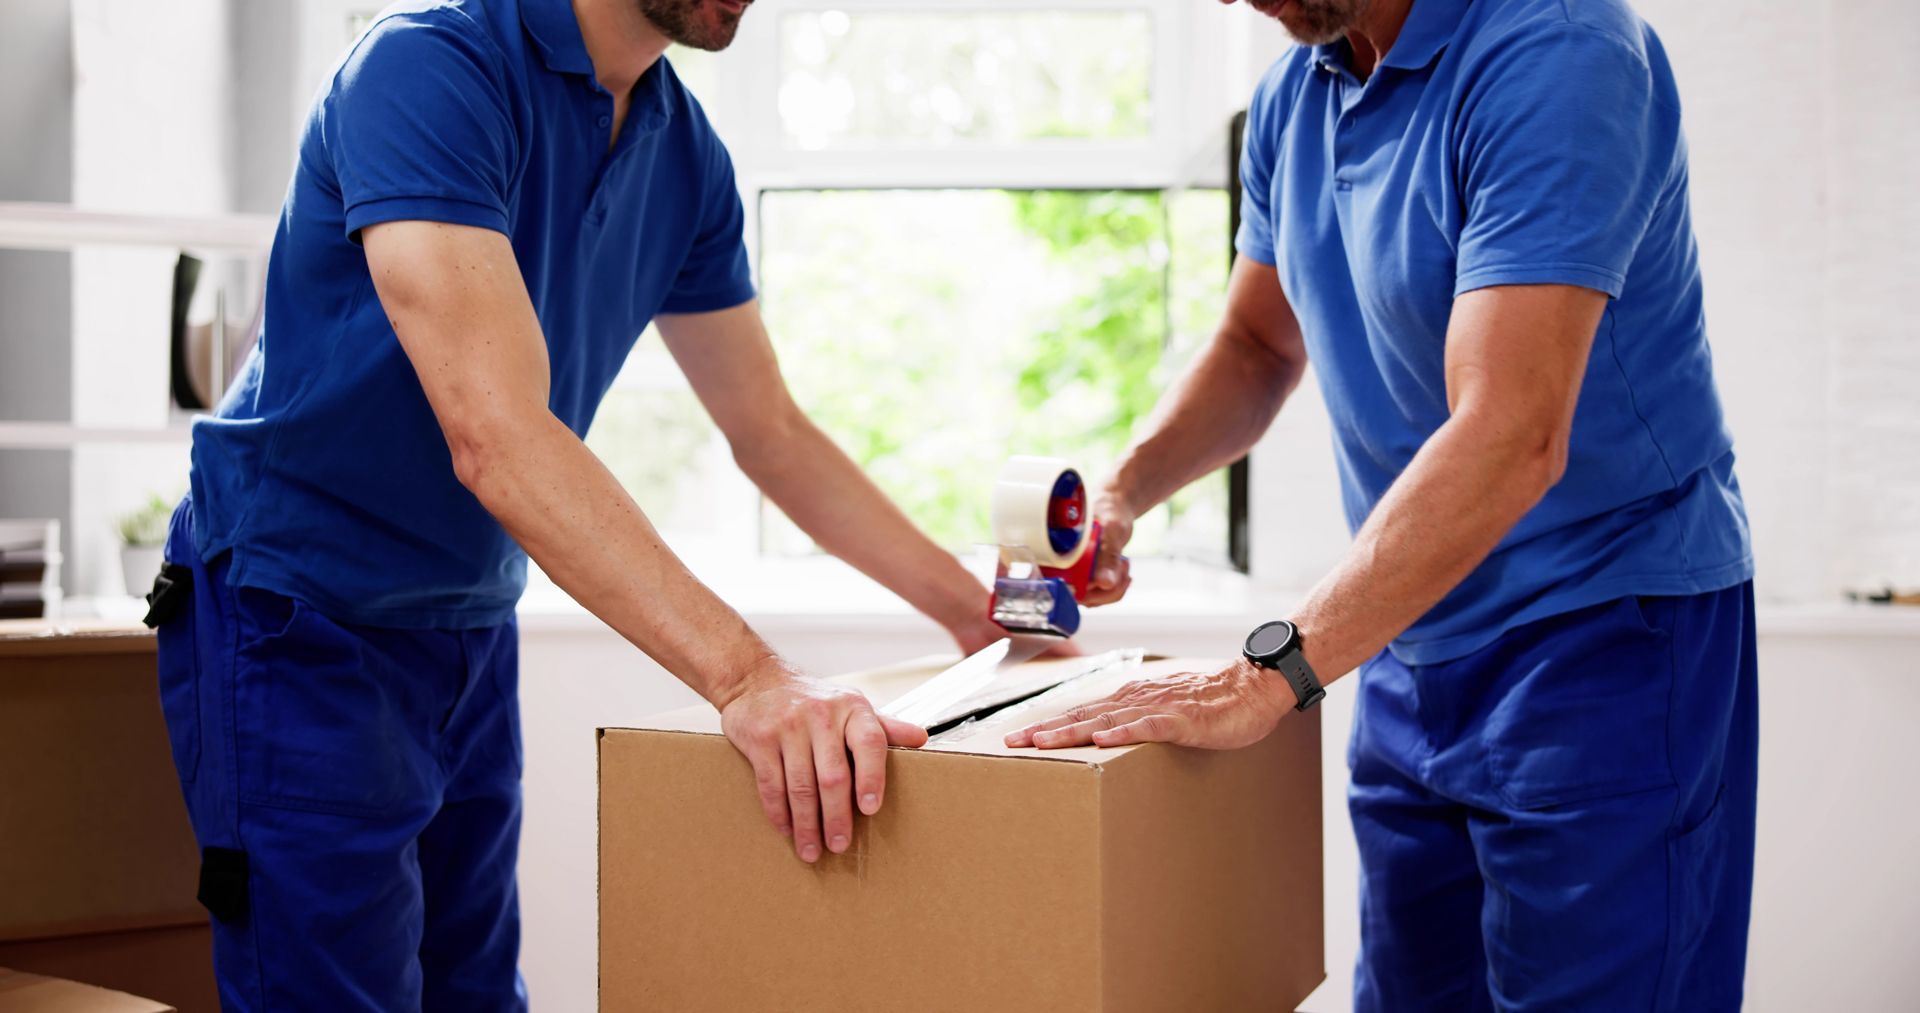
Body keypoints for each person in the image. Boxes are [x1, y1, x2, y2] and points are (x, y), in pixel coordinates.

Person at [147, 0, 1003, 1008]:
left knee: (476, 993)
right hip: (298, 616)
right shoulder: (427, 71)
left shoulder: (684, 154)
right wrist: (748, 678)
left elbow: (770, 431)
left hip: (466, 623)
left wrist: (972, 610)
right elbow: (496, 436)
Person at [1008, 0, 1756, 1009]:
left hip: (1605, 639)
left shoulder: (1561, 53)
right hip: (1407, 639)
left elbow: (1513, 434)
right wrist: (1122, 491)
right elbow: (1258, 346)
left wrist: (1264, 674)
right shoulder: (1295, 95)